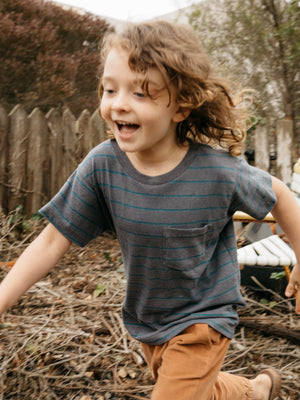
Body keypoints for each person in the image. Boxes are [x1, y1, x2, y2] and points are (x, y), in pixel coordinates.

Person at [0, 20, 299, 400]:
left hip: (204, 319)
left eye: (141, 93)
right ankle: (255, 391)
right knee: (198, 390)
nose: (118, 102)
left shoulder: (217, 172)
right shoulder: (103, 166)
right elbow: (52, 240)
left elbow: (281, 196)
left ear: (181, 106)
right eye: (110, 89)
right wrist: (4, 297)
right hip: (149, 320)